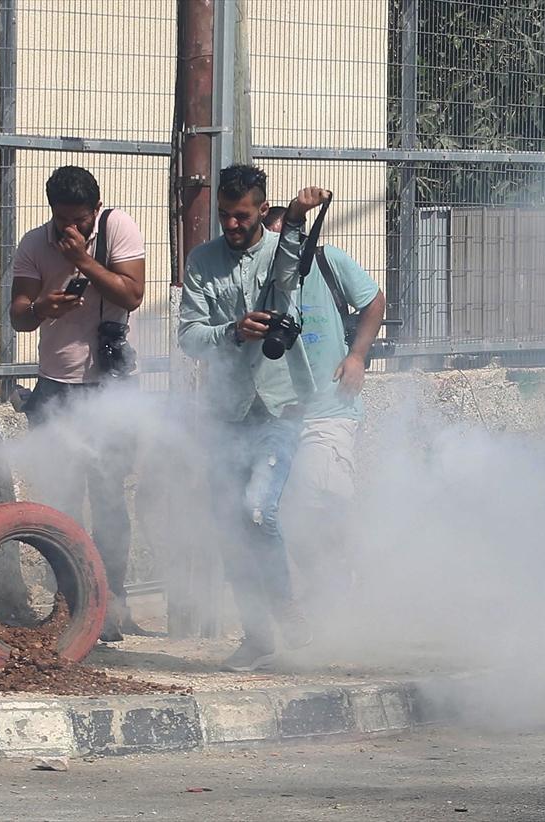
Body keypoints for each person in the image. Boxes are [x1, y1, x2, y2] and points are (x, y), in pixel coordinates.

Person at [177, 163, 329, 672]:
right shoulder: (201, 262)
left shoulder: (280, 251)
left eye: (242, 216)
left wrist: (301, 218)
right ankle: (256, 635)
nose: (232, 226)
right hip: (225, 413)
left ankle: (286, 605)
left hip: (280, 407)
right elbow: (189, 336)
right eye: (225, 216)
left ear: (263, 210)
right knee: (230, 526)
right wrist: (231, 332)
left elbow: (289, 272)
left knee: (256, 510)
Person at [9, 165, 147, 642]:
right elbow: (19, 317)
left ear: (96, 208)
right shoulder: (33, 243)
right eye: (61, 219)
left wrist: (86, 262)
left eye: (80, 220)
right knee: (60, 499)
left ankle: (112, 601)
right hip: (56, 386)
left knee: (109, 497)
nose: (70, 229)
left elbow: (132, 294)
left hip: (110, 388)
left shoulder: (117, 228)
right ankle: (70, 602)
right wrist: (44, 306)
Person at [260, 208, 387, 608]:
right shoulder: (259, 274)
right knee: (282, 511)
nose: (287, 250)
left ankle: (350, 576)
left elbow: (374, 301)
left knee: (327, 495)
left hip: (331, 407)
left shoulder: (329, 262)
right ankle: (324, 585)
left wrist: (358, 356)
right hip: (277, 415)